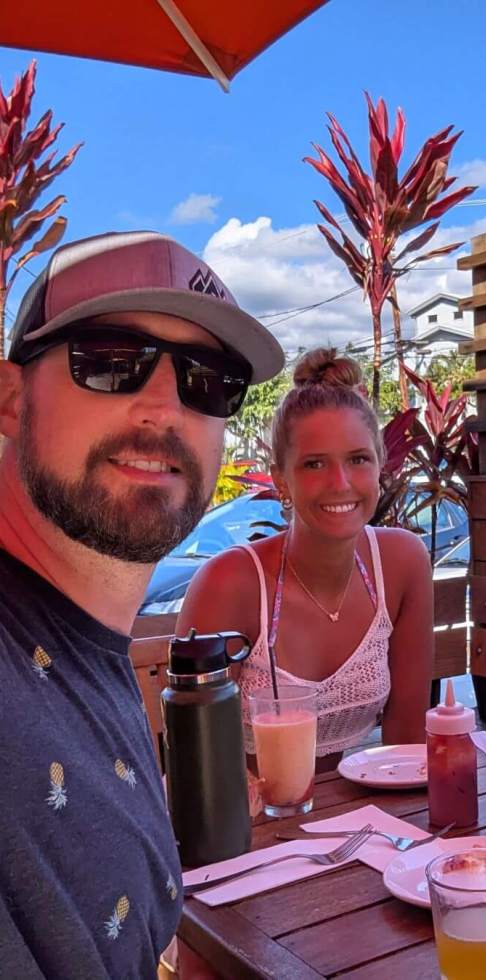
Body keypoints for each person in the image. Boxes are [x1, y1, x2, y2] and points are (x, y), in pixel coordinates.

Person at [0, 231, 284, 978]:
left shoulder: (83, 648)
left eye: (207, 379)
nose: (162, 406)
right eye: (109, 361)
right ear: (9, 397)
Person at [177, 348, 434, 774]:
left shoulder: (402, 562)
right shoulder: (231, 583)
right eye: (314, 464)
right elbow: (196, 768)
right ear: (281, 478)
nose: (341, 483)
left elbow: (406, 748)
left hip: (358, 819)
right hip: (249, 823)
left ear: (380, 465)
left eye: (358, 459)